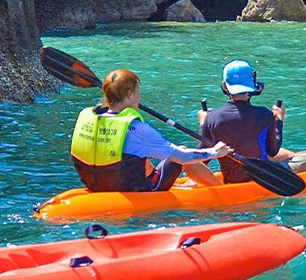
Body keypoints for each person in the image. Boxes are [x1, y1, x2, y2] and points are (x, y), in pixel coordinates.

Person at [71, 68, 231, 192]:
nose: (139, 95)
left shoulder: (92, 118)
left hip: (96, 184)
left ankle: (179, 186)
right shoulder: (137, 129)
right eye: (137, 90)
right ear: (129, 94)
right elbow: (182, 158)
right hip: (136, 189)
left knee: (134, 154)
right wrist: (214, 152)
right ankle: (223, 192)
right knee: (181, 151)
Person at [197, 59, 306, 184]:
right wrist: (279, 120)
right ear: (251, 86)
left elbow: (203, 159)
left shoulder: (212, 118)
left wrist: (203, 124)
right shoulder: (264, 114)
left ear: (225, 87)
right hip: (264, 177)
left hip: (233, 180)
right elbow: (273, 151)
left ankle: (296, 156)